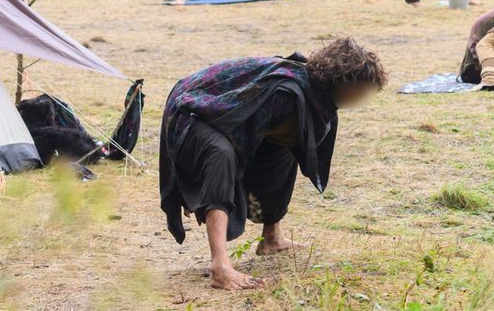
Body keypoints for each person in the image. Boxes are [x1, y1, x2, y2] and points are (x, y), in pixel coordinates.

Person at [159, 36, 387, 290]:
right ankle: (220, 267)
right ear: (343, 82)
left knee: (286, 146)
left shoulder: (310, 94)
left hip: (218, 110)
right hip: (192, 108)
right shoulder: (286, 94)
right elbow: (236, 136)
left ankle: (271, 238)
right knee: (221, 155)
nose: (365, 95)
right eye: (364, 87)